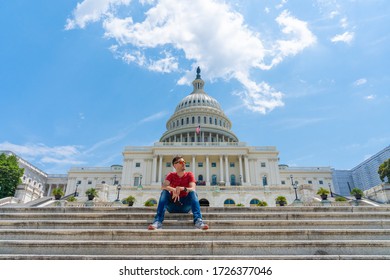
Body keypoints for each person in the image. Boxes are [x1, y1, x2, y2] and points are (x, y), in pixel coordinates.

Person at [148, 156, 209, 230]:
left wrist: (181, 188)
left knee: (193, 193)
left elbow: (193, 188)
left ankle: (198, 221)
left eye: (184, 162)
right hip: (172, 205)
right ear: (175, 165)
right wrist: (174, 189)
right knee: (164, 192)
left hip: (185, 206)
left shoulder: (189, 174)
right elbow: (163, 186)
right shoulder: (171, 175)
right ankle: (157, 221)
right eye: (181, 162)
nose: (183, 163)